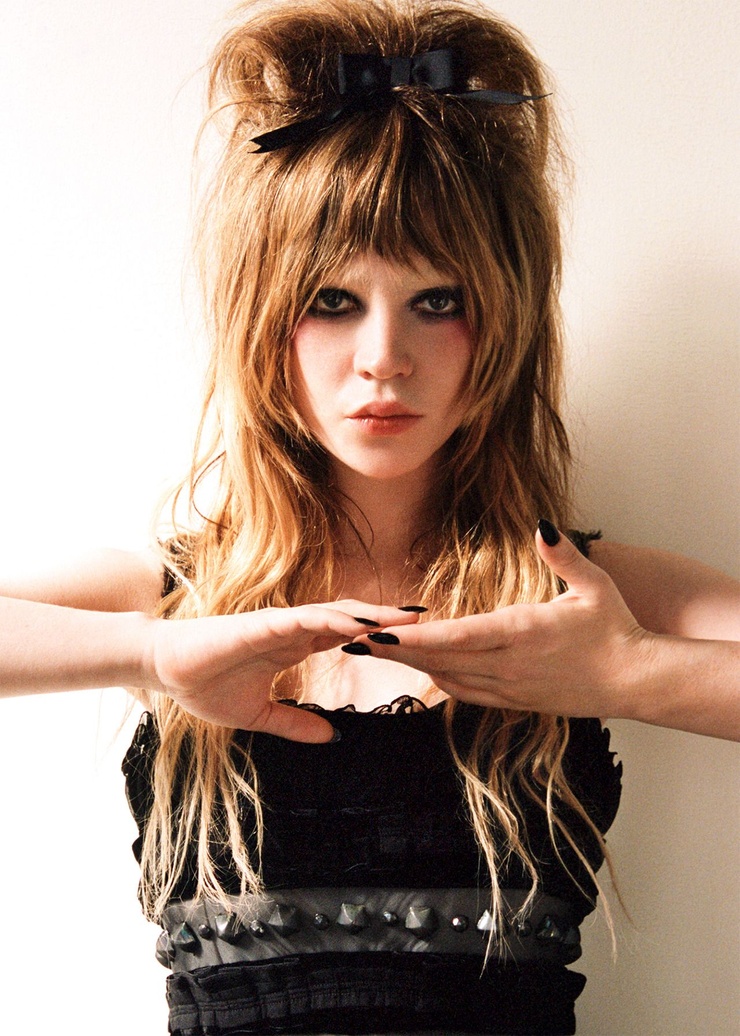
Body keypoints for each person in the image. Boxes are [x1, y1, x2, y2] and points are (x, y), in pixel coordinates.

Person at [1, 0, 738, 1033]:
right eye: (332, 301)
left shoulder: (578, 596)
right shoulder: (173, 597)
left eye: (438, 301)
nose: (384, 358)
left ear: (505, 321)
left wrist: (627, 672)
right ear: (262, 321)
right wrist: (156, 654)